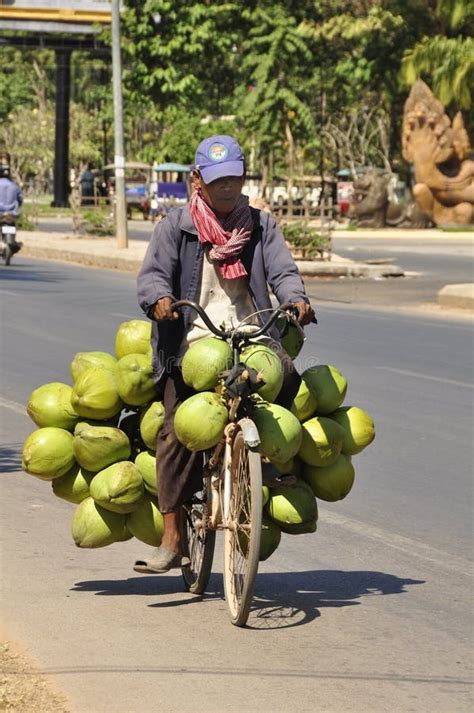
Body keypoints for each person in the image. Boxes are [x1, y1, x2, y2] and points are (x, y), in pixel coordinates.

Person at [134, 135, 315, 574]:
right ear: (197, 180)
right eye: (218, 181)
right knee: (176, 430)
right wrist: (159, 299)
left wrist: (295, 298)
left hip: (249, 334)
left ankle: (268, 462)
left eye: (234, 178)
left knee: (287, 379)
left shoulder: (261, 225)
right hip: (192, 340)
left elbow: (282, 270)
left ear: (243, 176)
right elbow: (153, 276)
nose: (228, 188)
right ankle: (173, 535)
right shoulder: (175, 227)